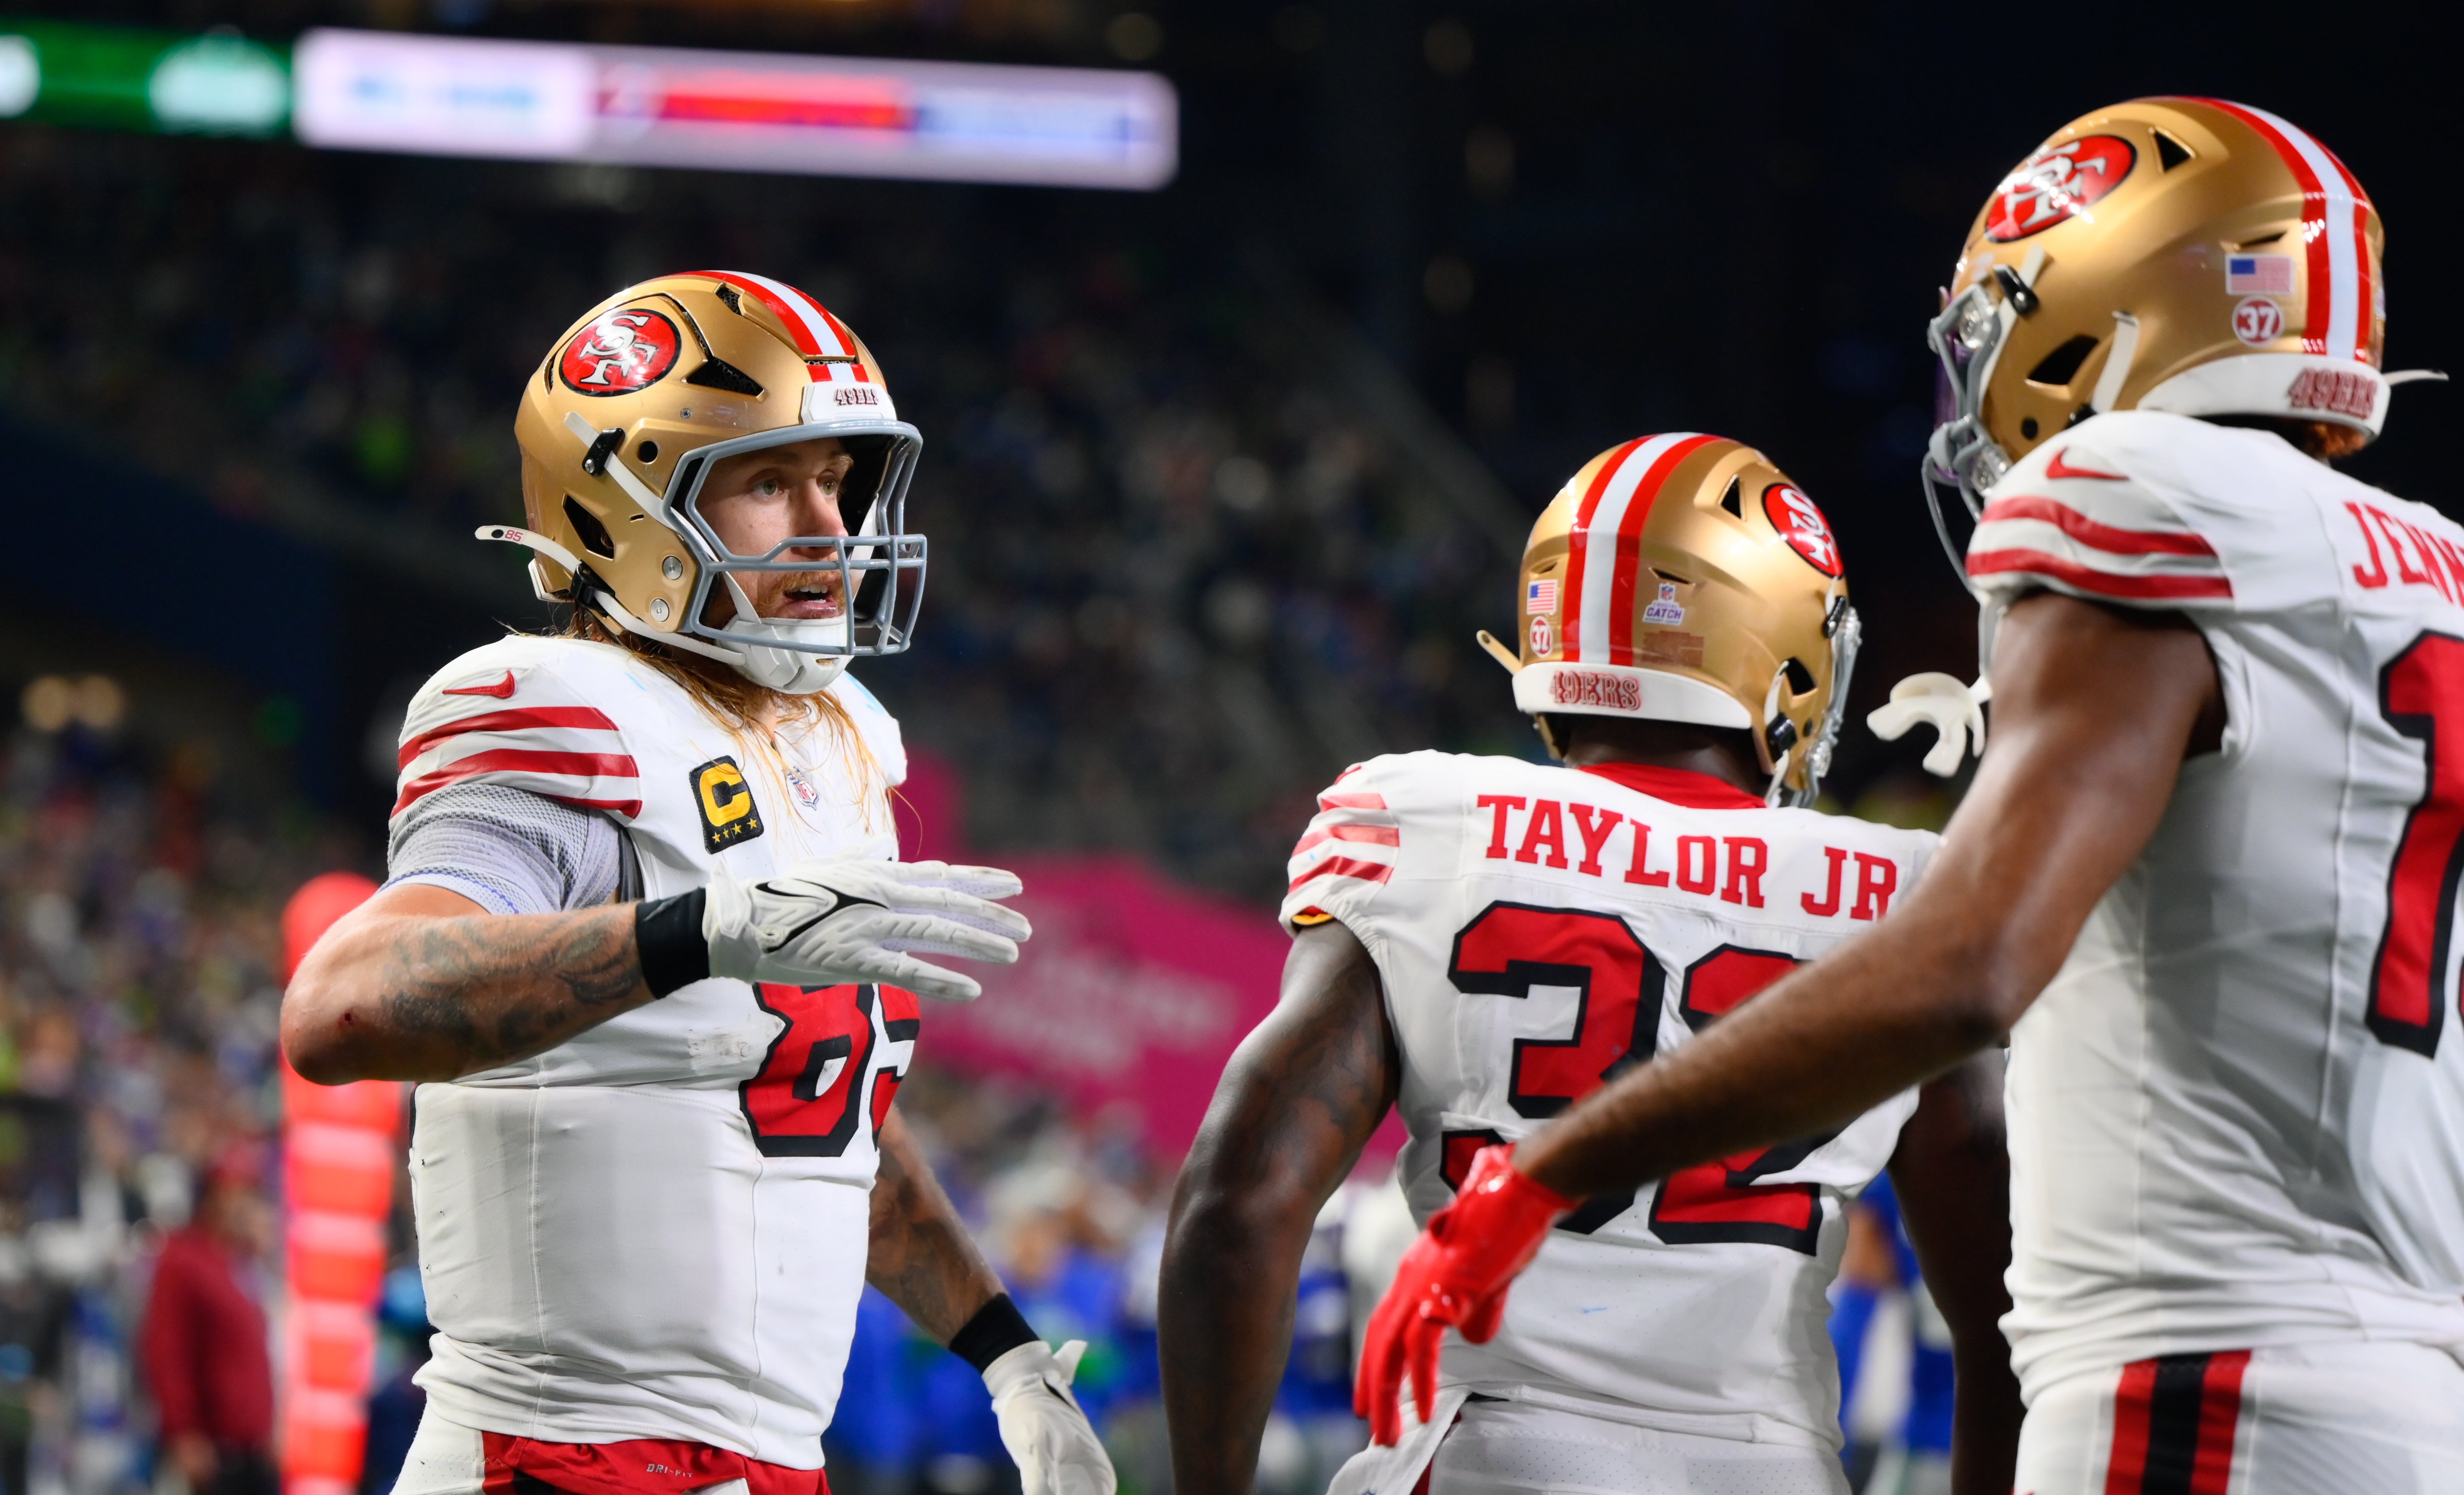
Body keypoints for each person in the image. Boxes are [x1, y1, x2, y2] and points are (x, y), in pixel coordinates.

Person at [1355, 99, 2464, 1493]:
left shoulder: (2139, 488)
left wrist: (1550, 1169)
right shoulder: (2434, 569)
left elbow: (1971, 967)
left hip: (2200, 1376)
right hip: (2416, 1394)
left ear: (2118, 298)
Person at [280, 272, 1115, 1495]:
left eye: (838, 478)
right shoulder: (559, 709)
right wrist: (699, 929)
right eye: (772, 481)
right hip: (555, 1461)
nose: (829, 524)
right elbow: (341, 1005)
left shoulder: (833, 744)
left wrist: (1004, 1353)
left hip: (771, 1465)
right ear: (625, 507)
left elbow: (821, 1124)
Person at [1161, 435, 2019, 1495]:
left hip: (1487, 1453)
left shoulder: (1425, 820)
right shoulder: (1910, 886)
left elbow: (1239, 1200)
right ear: (1779, 646)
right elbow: (2004, 1307)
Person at [139, 1144, 276, 1495]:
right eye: (234, 1194)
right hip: (214, 1447)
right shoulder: (184, 1262)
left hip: (253, 1446)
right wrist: (184, 1431)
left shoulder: (243, 1263)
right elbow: (168, 1352)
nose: (243, 1206)